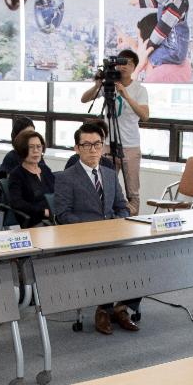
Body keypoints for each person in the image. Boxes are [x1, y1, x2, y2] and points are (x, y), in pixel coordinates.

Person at [55, 121, 141, 334]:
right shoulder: (66, 177)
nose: (93, 149)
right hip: (84, 238)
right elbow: (62, 215)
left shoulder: (110, 174)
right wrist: (92, 229)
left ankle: (121, 308)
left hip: (113, 234)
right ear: (77, 148)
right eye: (86, 145)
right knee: (106, 260)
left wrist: (117, 222)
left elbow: (122, 206)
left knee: (141, 254)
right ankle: (103, 309)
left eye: (97, 144)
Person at [80, 48, 149, 215]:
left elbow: (145, 116)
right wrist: (97, 85)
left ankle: (133, 226)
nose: (123, 67)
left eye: (128, 63)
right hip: (107, 144)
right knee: (107, 187)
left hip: (130, 145)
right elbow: (84, 99)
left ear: (134, 67)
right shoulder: (108, 85)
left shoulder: (139, 89)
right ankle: (109, 221)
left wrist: (126, 96)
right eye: (120, 63)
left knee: (132, 191)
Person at [129, 0, 192, 83]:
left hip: (174, 49)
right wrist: (138, 1)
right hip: (170, 46)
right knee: (149, 56)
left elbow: (162, 29)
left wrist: (149, 47)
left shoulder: (176, 2)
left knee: (151, 58)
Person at [5, 129, 55, 227]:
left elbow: (57, 192)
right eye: (31, 147)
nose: (36, 151)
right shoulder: (17, 175)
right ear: (22, 150)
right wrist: (43, 212)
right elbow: (17, 203)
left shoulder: (45, 169)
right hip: (35, 221)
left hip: (54, 216)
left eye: (38, 146)